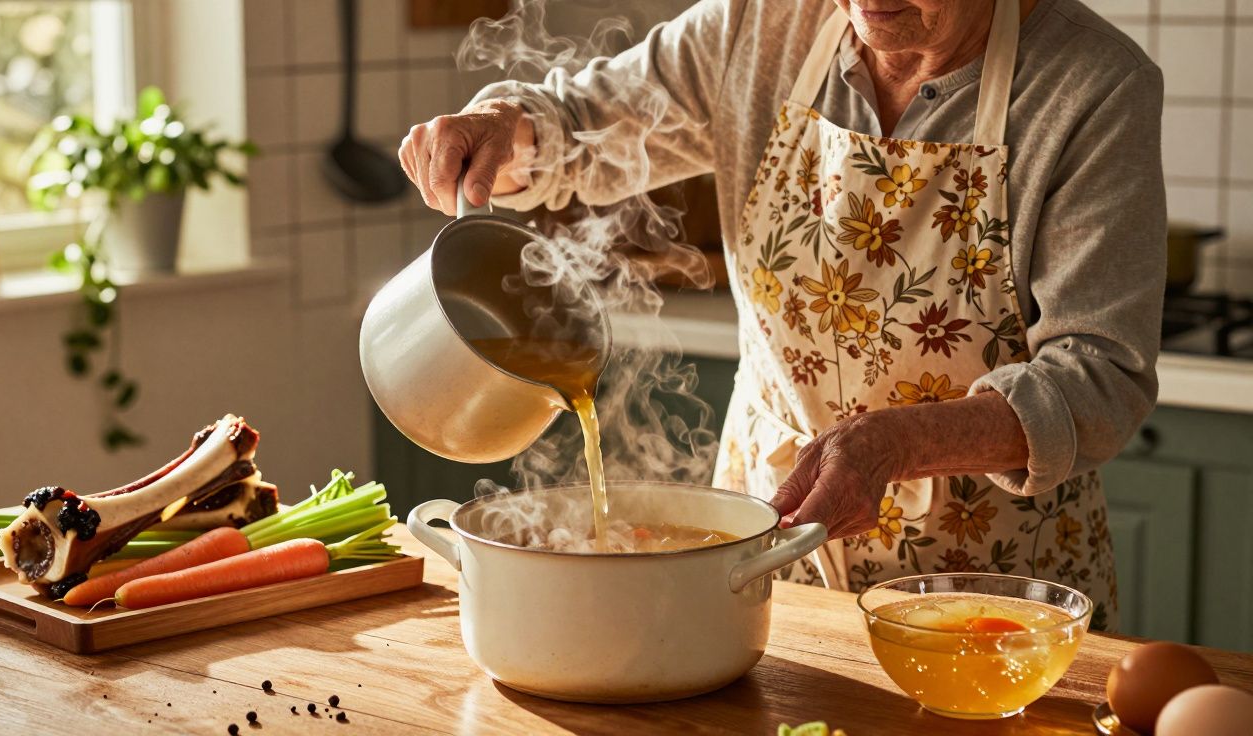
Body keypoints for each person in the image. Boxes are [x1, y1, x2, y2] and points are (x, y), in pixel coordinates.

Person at [399, 0, 1165, 630]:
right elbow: (578, 123)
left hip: (990, 591)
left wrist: (896, 444)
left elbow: (1100, 378)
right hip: (761, 559)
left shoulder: (1093, 86)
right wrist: (500, 127)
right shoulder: (756, 27)